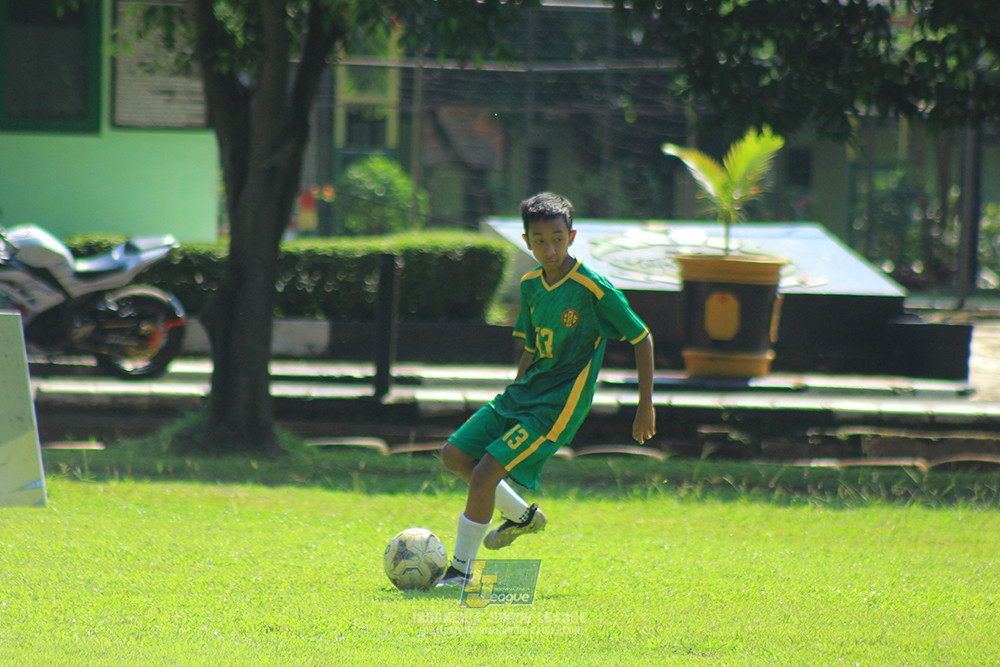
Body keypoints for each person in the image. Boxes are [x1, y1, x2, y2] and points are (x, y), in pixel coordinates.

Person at [438, 192, 656, 587]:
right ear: (526, 241)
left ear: (571, 236)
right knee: (454, 455)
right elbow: (532, 347)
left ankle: (461, 572)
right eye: (539, 241)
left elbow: (642, 338)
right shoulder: (530, 285)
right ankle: (522, 516)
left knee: (486, 472)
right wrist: (516, 387)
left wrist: (646, 407)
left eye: (557, 238)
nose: (549, 248)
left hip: (557, 406)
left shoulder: (593, 288)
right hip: (524, 394)